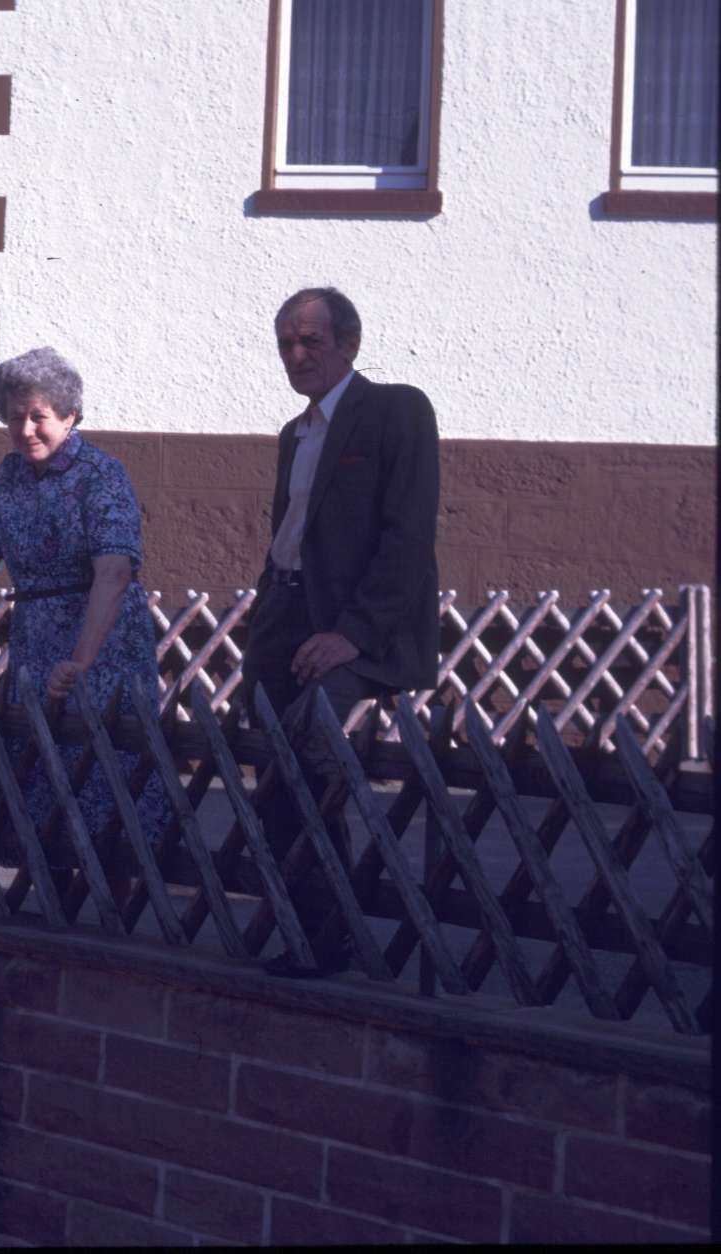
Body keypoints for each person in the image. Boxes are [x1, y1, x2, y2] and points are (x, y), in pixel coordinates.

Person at [243, 286, 440, 977]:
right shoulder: (293, 434)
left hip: (362, 626)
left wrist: (353, 632)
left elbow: (407, 536)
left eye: (311, 341)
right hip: (285, 614)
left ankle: (337, 931)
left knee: (314, 744)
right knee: (272, 765)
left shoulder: (396, 411)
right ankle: (310, 931)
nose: (297, 355)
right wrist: (266, 611)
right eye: (286, 344)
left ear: (349, 345)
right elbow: (292, 534)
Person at [0, 347, 169, 845]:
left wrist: (81, 660)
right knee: (37, 775)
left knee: (104, 778)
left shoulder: (101, 475)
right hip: (34, 638)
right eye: (13, 417)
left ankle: (117, 886)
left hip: (101, 641)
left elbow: (113, 573)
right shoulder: (9, 476)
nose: (24, 429)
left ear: (70, 416)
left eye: (38, 416)